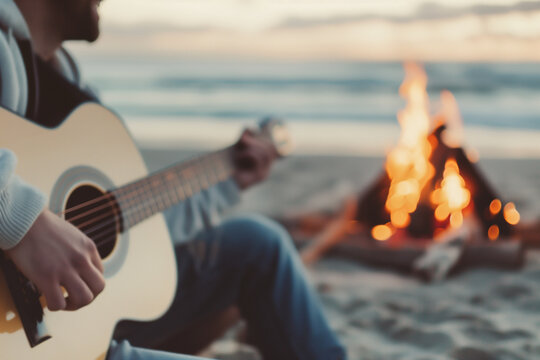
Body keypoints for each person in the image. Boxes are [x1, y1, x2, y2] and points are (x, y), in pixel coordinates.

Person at [0, 0, 347, 359]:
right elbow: (24, 221)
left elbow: (138, 231)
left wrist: (230, 179)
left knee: (260, 244)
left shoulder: (74, 93)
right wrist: (23, 224)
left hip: (71, 320)